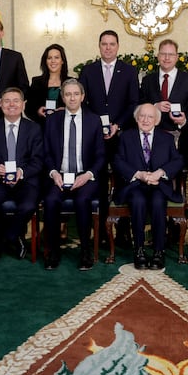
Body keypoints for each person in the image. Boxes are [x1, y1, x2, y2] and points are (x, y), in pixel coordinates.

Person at [78, 30, 139, 241]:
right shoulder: (88, 71)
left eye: (112, 44)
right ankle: (102, 230)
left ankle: (123, 229)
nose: (108, 48)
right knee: (99, 182)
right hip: (95, 138)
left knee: (124, 179)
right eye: (104, 44)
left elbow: (133, 103)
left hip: (122, 135)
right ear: (99, 46)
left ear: (118, 46)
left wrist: (118, 125)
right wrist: (96, 126)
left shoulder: (129, 71)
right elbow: (82, 103)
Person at [42, 79, 104, 271]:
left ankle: (85, 252)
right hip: (59, 175)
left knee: (82, 200)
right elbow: (46, 153)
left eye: (76, 94)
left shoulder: (94, 120)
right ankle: (53, 252)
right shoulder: (52, 120)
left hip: (85, 176)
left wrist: (87, 175)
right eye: (68, 94)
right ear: (62, 97)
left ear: (82, 96)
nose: (72, 98)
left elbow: (101, 155)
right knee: (51, 201)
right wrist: (53, 173)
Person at [113, 103, 184, 270]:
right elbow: (118, 161)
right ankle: (139, 250)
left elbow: (178, 160)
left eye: (150, 117)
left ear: (157, 121)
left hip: (159, 185)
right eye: (142, 116)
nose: (145, 120)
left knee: (158, 203)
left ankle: (159, 252)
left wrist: (160, 172)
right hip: (135, 185)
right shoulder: (126, 137)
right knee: (138, 202)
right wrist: (139, 174)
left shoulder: (166, 138)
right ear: (136, 119)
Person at [0, 87, 44, 260]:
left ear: (23, 104)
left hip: (26, 181)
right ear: (0, 105)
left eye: (16, 101)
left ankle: (6, 238)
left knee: (28, 206)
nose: (11, 105)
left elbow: (38, 161)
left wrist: (21, 172)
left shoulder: (34, 129)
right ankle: (12, 237)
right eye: (7, 101)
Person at [140, 39, 188, 168]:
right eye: (163, 54)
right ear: (158, 56)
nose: (167, 58)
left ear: (177, 57)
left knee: (177, 179)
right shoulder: (147, 80)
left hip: (180, 139)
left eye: (170, 54)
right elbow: (140, 105)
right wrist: (154, 107)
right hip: (152, 138)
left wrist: (184, 120)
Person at [26, 43, 71, 129]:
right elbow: (29, 108)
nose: (53, 61)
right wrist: (38, 111)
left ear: (62, 61)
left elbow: (79, 106)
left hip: (65, 127)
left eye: (56, 57)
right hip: (42, 129)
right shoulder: (36, 81)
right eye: (49, 58)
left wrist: (67, 111)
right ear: (45, 61)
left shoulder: (71, 82)